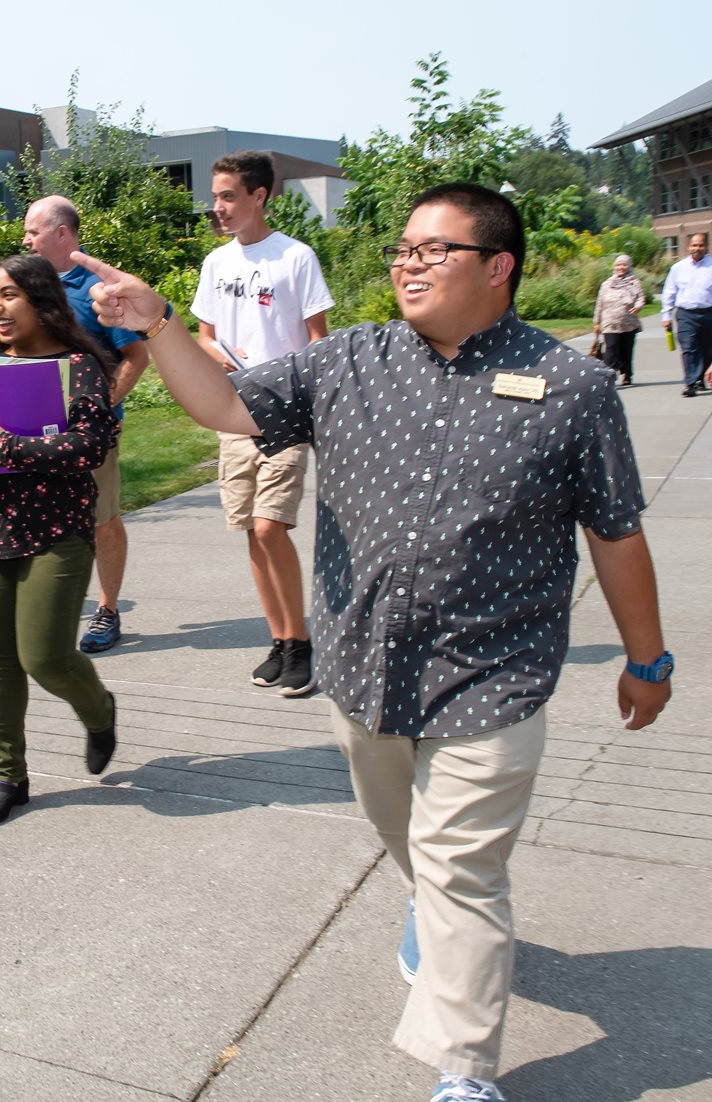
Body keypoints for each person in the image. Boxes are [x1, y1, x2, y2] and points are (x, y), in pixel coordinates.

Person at [72, 182, 672, 1102]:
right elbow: (228, 407)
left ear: (497, 267)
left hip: (495, 679)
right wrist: (157, 325)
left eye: (434, 250)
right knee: (416, 849)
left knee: (465, 869)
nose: (407, 264)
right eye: (402, 250)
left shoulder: (573, 389)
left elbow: (617, 532)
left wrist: (646, 659)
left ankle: (464, 1071)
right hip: (367, 673)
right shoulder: (344, 364)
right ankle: (425, 904)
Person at [0, 254, 119, 825]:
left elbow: (91, 447)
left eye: (10, 294)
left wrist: (8, 451)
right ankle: (8, 776)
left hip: (56, 531)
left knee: (44, 657)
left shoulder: (79, 366)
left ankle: (99, 712)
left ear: (42, 300)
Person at [191, 152, 332, 697]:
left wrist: (320, 405)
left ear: (259, 196)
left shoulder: (295, 258)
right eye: (216, 196)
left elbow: (319, 340)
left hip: (286, 412)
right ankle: (279, 640)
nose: (219, 207)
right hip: (233, 411)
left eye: (228, 196)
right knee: (251, 529)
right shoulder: (216, 263)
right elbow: (204, 335)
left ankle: (302, 645)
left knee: (273, 526)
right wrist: (215, 354)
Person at [21, 195, 150, 653]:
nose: (25, 239)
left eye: (32, 231)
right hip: (36, 432)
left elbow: (137, 356)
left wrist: (102, 408)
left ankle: (107, 611)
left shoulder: (99, 288)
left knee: (101, 521)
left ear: (60, 233)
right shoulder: (29, 288)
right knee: (46, 520)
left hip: (91, 435)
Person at [663, 231, 712, 396]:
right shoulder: (678, 268)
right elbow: (669, 292)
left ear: (706, 246)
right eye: (694, 245)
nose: (697, 248)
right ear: (688, 247)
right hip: (686, 315)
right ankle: (690, 383)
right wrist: (666, 316)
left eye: (700, 245)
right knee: (688, 347)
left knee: (707, 350)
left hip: (708, 314)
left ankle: (699, 378)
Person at [592, 254, 645, 385]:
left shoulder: (634, 282)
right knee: (611, 350)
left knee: (626, 351)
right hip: (610, 323)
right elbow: (600, 303)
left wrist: (638, 306)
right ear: (614, 267)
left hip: (628, 323)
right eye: (618, 265)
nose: (621, 267)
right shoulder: (607, 284)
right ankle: (608, 376)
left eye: (624, 264)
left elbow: (641, 298)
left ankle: (627, 374)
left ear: (629, 266)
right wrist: (596, 322)